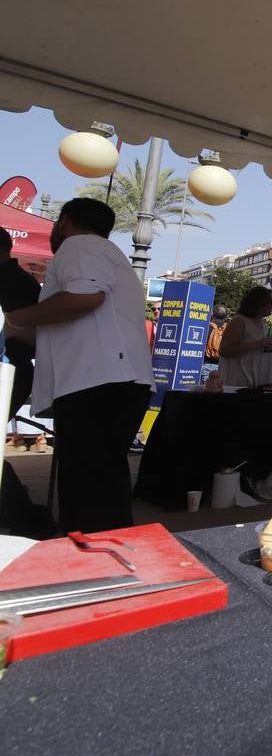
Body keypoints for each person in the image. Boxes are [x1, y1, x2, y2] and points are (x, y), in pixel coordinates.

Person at [1, 198, 152, 533]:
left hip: (99, 383)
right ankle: (106, 554)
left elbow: (85, 297)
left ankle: (92, 558)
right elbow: (68, 327)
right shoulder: (105, 254)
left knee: (88, 486)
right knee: (101, 484)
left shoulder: (80, 245)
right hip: (111, 381)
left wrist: (16, 317)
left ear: (65, 221)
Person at [0, 227, 40, 445]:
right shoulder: (25, 281)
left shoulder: (15, 282)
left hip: (10, 368)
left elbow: (33, 333)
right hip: (17, 369)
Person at [218, 286, 272, 389]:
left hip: (255, 385)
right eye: (271, 301)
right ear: (258, 302)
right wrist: (260, 343)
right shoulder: (239, 321)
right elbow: (224, 350)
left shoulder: (262, 323)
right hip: (236, 385)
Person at [202, 304, 228, 377]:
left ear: (212, 314)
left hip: (206, 365)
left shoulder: (206, 327)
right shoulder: (230, 328)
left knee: (207, 387)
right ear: (226, 317)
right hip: (223, 366)